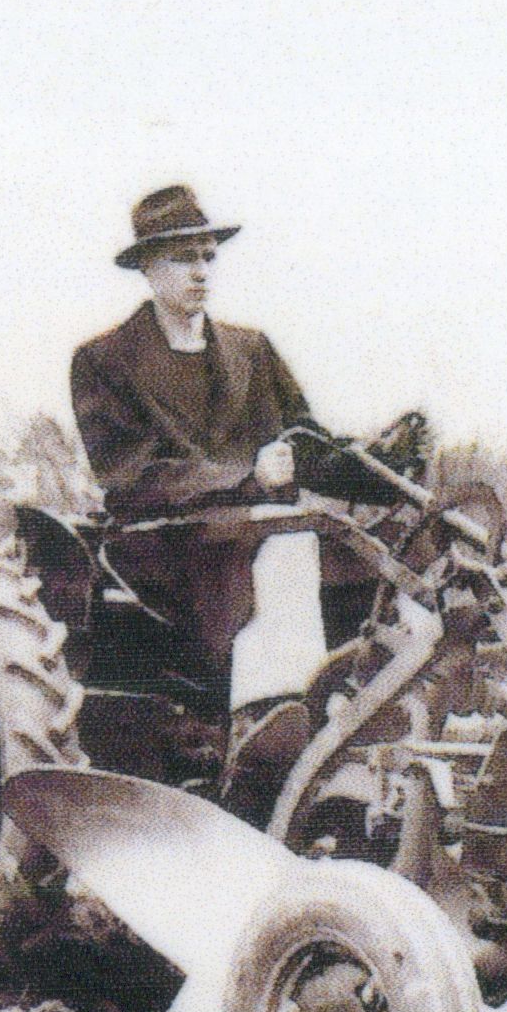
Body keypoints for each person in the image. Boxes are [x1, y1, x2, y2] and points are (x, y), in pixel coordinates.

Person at [71, 185, 375, 820]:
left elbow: (303, 441)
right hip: (164, 543)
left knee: (370, 563)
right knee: (285, 553)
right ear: (148, 268)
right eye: (184, 259)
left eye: (208, 256)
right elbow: (129, 473)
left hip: (259, 526)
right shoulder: (103, 362)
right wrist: (246, 477)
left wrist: (376, 464)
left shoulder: (251, 349)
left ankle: (347, 735)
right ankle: (267, 741)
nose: (201, 273)